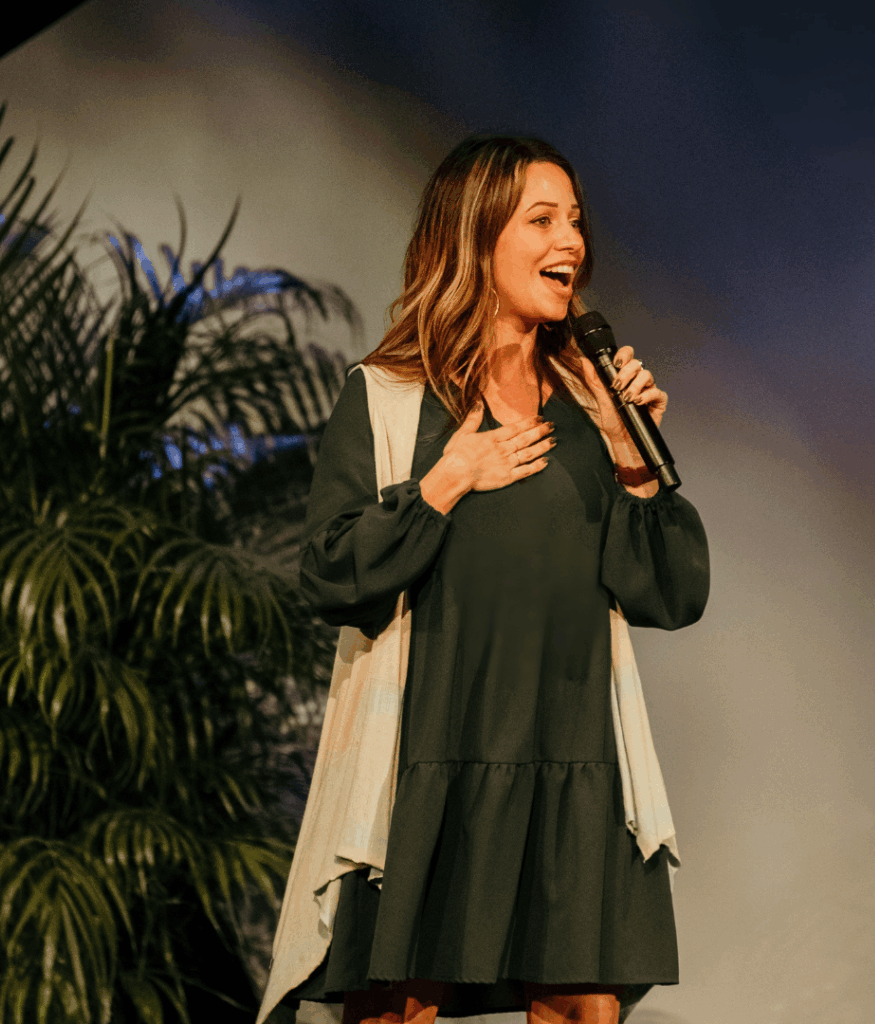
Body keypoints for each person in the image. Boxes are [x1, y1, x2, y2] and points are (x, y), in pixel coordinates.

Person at [261, 136, 710, 1024]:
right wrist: (444, 482)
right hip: (433, 759)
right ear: (475, 239)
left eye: (575, 220)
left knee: (584, 1007)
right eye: (542, 219)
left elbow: (672, 595)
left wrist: (632, 458)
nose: (571, 241)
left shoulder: (594, 413)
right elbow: (330, 576)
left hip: (573, 764)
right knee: (401, 1009)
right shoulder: (389, 399)